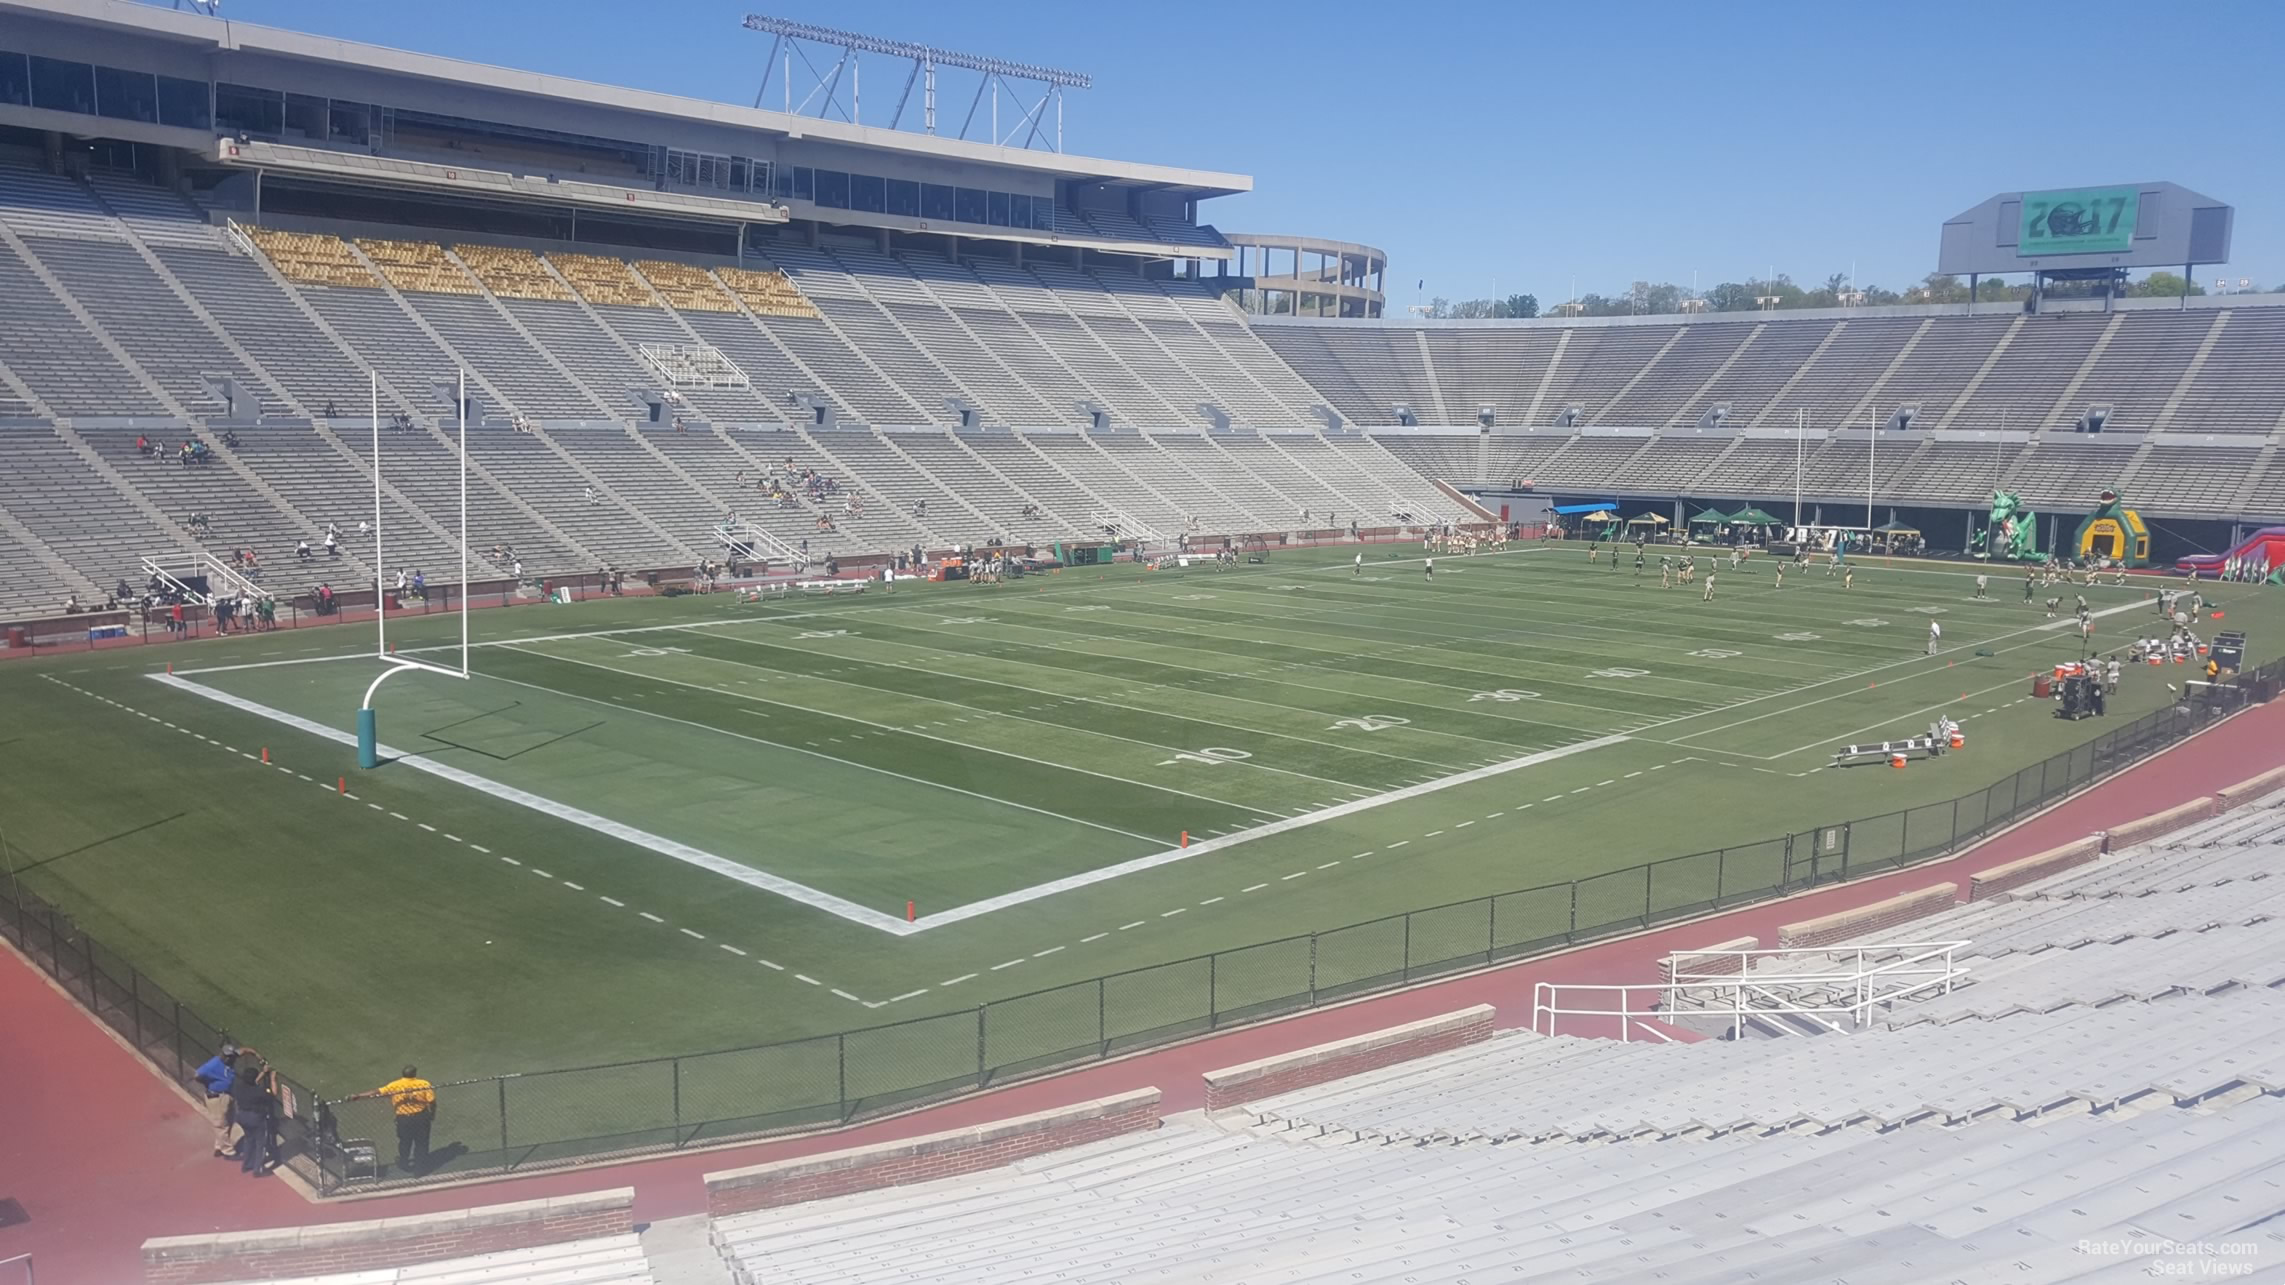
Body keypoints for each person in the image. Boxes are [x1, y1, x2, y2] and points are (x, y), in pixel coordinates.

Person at [361, 1065, 438, 1174]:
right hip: (421, 1117)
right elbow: (432, 1102)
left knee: (405, 1142)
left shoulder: (395, 1085)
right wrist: (432, 1114)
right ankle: (420, 1169)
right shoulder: (424, 1084)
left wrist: (358, 1095)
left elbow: (376, 1091)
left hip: (404, 1119)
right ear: (415, 1074)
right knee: (422, 1143)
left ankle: (404, 1163)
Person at [228, 1051, 278, 1176]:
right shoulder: (258, 1092)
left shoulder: (239, 1087)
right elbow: (273, 1094)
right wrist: (272, 1079)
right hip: (255, 1118)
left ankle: (246, 1165)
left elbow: (252, 1081)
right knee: (261, 1143)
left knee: (249, 1140)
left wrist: (263, 1072)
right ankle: (258, 1169)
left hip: (241, 1117)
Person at [192, 1041, 242, 1158]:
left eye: (231, 1056)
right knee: (221, 1125)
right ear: (223, 1055)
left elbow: (242, 1051)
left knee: (228, 1121)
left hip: (226, 1096)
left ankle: (219, 1146)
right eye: (228, 1056)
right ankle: (228, 1151)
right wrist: (207, 1082)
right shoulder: (213, 1064)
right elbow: (196, 1075)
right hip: (216, 1097)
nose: (230, 1058)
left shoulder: (230, 1060)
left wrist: (253, 1052)